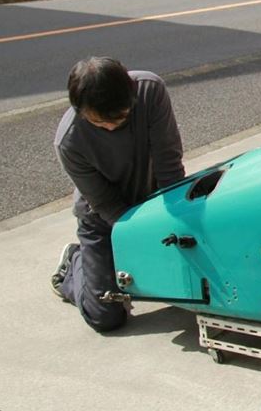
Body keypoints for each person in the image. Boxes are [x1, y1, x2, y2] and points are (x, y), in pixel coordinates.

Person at [52, 58, 185, 333]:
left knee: (189, 285)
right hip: (103, 220)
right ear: (80, 110)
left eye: (120, 118)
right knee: (105, 316)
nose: (111, 127)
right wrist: (141, 238)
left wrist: (175, 222)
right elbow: (105, 203)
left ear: (131, 94)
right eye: (99, 122)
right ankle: (74, 264)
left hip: (154, 201)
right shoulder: (69, 141)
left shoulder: (150, 90)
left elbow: (169, 166)